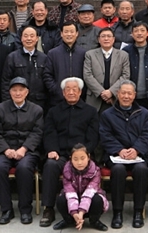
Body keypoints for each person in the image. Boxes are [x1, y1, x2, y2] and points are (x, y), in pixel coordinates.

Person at [39, 77, 99, 228]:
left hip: (82, 156)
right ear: (63, 92)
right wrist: (52, 150)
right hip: (61, 154)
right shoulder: (54, 111)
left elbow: (93, 137)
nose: (71, 92)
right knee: (50, 165)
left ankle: (89, 212)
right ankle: (48, 208)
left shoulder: (90, 112)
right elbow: (49, 133)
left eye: (74, 89)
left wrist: (83, 155)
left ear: (80, 92)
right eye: (68, 89)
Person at [99, 81, 148, 229]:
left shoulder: (145, 114)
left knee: (141, 170)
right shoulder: (107, 114)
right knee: (118, 170)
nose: (126, 96)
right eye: (123, 93)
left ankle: (138, 212)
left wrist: (136, 149)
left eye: (129, 93)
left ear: (134, 95)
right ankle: (117, 213)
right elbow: (105, 135)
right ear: (117, 94)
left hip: (139, 155)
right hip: (115, 155)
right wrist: (119, 150)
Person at [0, 77, 44, 225]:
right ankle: (6, 210)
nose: (18, 93)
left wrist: (24, 148)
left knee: (24, 168)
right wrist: (6, 149)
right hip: (4, 150)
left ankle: (25, 210)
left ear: (27, 92)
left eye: (21, 90)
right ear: (10, 92)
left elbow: (37, 133)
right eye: (14, 90)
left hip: (27, 151)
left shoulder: (36, 110)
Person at [54, 144, 109, 231]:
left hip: (89, 202)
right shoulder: (67, 170)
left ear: (88, 157)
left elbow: (89, 193)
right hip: (72, 202)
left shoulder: (95, 170)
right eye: (75, 159)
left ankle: (94, 221)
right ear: (71, 159)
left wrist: (81, 212)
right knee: (61, 200)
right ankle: (69, 220)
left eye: (82, 158)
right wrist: (74, 213)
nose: (79, 162)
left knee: (97, 200)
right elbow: (70, 192)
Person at [1, 26, 49, 111]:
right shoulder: (12, 57)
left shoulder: (44, 58)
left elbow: (47, 81)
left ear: (37, 38)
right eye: (26, 36)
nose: (29, 39)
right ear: (21, 38)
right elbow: (5, 82)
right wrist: (7, 102)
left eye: (32, 36)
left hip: (39, 103)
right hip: (17, 102)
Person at [83, 28, 130, 112]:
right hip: (94, 98)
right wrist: (101, 92)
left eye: (109, 36)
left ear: (113, 39)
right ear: (98, 39)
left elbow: (125, 75)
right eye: (103, 36)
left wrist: (111, 92)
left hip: (115, 98)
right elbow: (87, 75)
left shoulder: (123, 55)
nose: (106, 38)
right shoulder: (90, 54)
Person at [43, 22, 86, 108]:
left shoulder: (84, 53)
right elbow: (47, 75)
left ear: (77, 34)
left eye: (72, 31)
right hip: (58, 99)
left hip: (80, 98)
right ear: (61, 34)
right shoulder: (52, 53)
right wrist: (57, 90)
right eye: (66, 32)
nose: (69, 34)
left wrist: (81, 91)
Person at [125, 22, 148, 111]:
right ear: (132, 34)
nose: (139, 33)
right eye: (136, 31)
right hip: (131, 97)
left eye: (142, 30)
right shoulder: (126, 51)